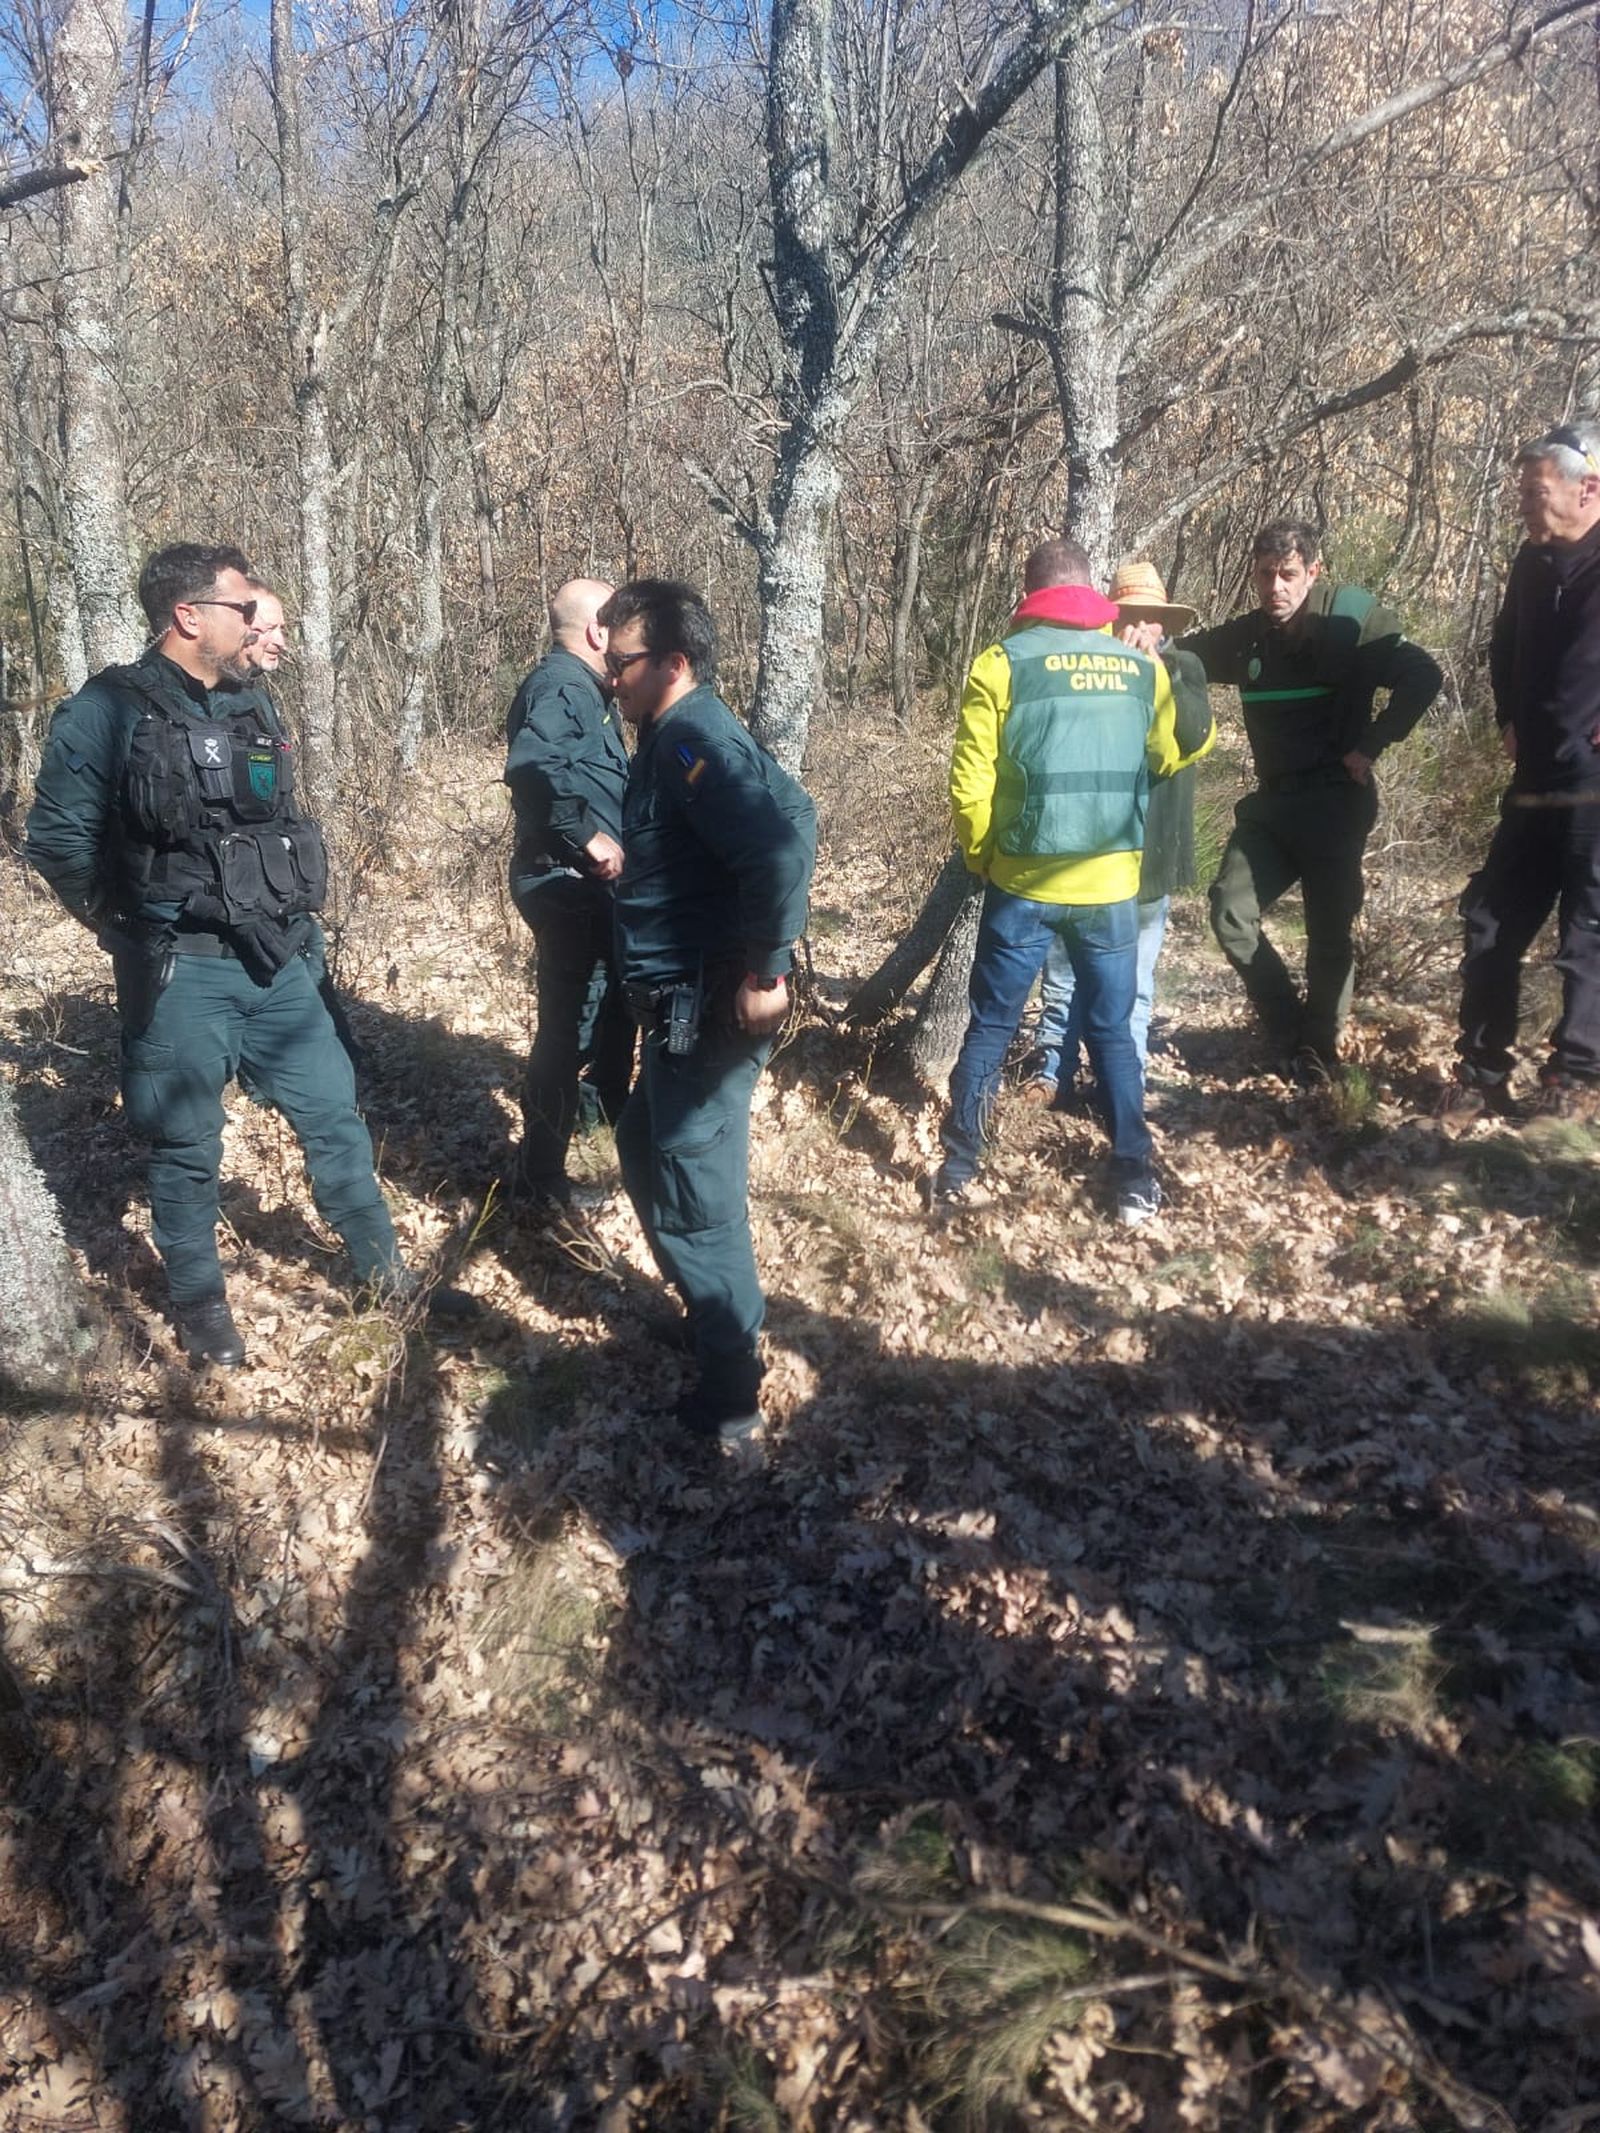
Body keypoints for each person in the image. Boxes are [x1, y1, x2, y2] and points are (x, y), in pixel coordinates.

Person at [24, 542, 450, 1368]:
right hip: (184, 971)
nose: (255, 622)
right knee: (187, 1146)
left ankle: (385, 1275)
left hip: (280, 960)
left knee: (334, 1116)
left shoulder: (253, 706)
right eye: (241, 608)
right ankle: (202, 1308)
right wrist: (125, 926)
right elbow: (58, 842)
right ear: (190, 617)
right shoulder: (105, 710)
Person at [931, 536, 1202, 1228]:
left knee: (991, 1024)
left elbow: (970, 782)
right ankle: (1135, 1176)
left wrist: (984, 854)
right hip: (1111, 888)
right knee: (1113, 1030)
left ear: (1032, 594)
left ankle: (959, 1169)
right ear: (1090, 593)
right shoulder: (1141, 670)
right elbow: (1171, 753)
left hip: (1022, 881)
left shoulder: (999, 664)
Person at [602, 578, 816, 1444]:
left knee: (696, 1191)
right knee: (641, 1145)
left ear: (673, 663)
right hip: (677, 998)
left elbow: (781, 842)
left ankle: (732, 1399)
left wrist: (764, 967)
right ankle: (709, 1315)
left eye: (620, 662)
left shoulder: (692, 737)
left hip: (707, 1003)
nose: (609, 676)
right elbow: (793, 809)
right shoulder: (678, 735)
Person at [1178, 519, 1442, 1082]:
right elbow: (1185, 656)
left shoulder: (1351, 627)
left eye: (1289, 575)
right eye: (1266, 575)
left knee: (1328, 932)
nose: (1276, 587)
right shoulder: (1250, 637)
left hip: (1334, 803)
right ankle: (1287, 1024)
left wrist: (1371, 744)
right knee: (1229, 910)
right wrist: (1145, 639)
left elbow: (1423, 674)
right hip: (1272, 806)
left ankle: (1316, 1054)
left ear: (1313, 572)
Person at [1442, 421, 1600, 1121]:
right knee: (1491, 917)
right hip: (1534, 776)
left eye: (1535, 491)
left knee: (1587, 929)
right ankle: (1480, 1070)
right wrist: (1508, 712)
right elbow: (1502, 643)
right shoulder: (1530, 564)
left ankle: (1573, 1079)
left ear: (1586, 489)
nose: (1522, 504)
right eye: (1521, 490)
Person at [1020, 558, 1214, 1105]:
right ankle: (1051, 1071)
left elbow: (1191, 732)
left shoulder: (1186, 668)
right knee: (1062, 974)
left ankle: (1119, 1084)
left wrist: (1155, 672)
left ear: (1167, 625)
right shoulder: (1088, 667)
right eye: (1130, 615)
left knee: (1135, 982)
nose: (1142, 628)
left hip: (1150, 860)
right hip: (1084, 855)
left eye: (1154, 619)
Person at [502, 577, 634, 1206]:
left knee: (609, 1008)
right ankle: (542, 1179)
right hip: (565, 884)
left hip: (586, 887)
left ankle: (601, 1118)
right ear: (595, 632)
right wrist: (588, 838)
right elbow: (532, 767)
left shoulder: (588, 692)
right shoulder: (561, 686)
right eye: (620, 627)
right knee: (567, 1031)